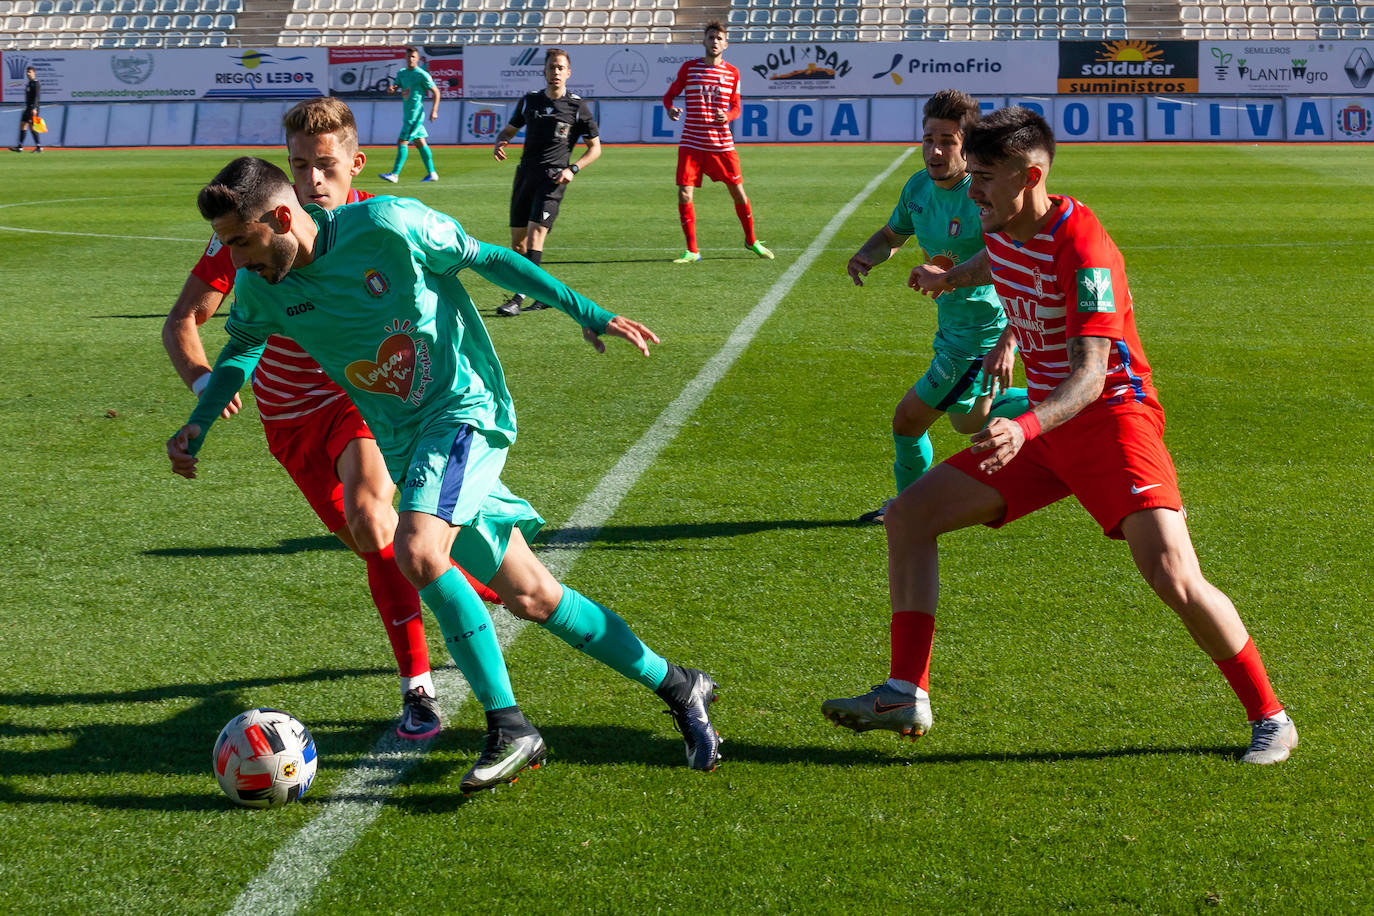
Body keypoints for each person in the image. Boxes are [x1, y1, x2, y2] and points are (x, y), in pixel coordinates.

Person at [168, 156, 723, 792]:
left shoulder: (388, 225)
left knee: (418, 550)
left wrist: (585, 310)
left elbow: (488, 259)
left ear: (283, 217)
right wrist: (200, 421)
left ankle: (510, 725)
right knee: (533, 596)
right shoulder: (265, 286)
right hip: (408, 442)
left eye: (242, 241)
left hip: (464, 411)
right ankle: (681, 685)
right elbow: (240, 351)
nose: (235, 262)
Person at [822, 107, 1297, 765]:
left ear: (1032, 174)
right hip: (1046, 426)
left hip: (1111, 423)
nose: (973, 189)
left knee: (1172, 576)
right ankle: (906, 689)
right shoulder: (1007, 226)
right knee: (908, 516)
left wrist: (1023, 424)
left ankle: (1271, 716)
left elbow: (1092, 376)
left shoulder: (1084, 247)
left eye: (985, 177)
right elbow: (998, 260)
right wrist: (947, 277)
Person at [163, 98, 500, 743]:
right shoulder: (247, 233)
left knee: (375, 520)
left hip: (362, 397)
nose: (316, 180)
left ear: (348, 163)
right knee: (373, 544)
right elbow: (184, 321)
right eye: (300, 166)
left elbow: (454, 277)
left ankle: (418, 687)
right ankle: (485, 588)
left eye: (325, 166)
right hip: (287, 419)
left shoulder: (374, 221)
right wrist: (205, 388)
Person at [845, 89, 1029, 524]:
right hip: (953, 332)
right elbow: (893, 235)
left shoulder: (984, 196)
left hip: (979, 336)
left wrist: (1005, 336)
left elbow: (1012, 265)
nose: (935, 150)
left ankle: (908, 509)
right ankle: (1064, 405)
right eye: (928, 139)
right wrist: (867, 255)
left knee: (908, 419)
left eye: (947, 140)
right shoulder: (917, 187)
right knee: (969, 423)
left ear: (968, 144)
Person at [490, 49, 602, 318]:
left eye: (560, 68)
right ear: (545, 71)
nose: (556, 72)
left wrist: (573, 168)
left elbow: (595, 148)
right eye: (552, 67)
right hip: (525, 175)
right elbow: (510, 128)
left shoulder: (577, 107)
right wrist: (501, 140)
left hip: (553, 179)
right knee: (518, 243)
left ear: (568, 72)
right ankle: (544, 295)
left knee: (536, 234)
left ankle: (518, 297)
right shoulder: (530, 101)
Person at [662, 21, 773, 264]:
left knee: (739, 193)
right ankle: (692, 250)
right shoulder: (689, 69)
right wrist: (670, 109)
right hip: (691, 143)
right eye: (711, 37)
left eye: (719, 38)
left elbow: (736, 107)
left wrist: (729, 116)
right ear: (704, 41)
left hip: (721, 144)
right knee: (684, 193)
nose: (714, 41)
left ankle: (751, 240)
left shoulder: (732, 73)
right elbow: (669, 95)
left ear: (726, 43)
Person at [378, 47, 439, 184]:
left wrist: (434, 110)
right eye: (409, 57)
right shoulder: (402, 73)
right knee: (420, 143)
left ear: (417, 59)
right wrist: (391, 90)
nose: (411, 59)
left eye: (413, 57)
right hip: (407, 115)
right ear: (405, 58)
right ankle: (432, 173)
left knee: (402, 142)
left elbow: (436, 92)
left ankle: (395, 174)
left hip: (415, 116)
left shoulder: (422, 75)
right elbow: (394, 88)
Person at [10, 66, 41, 153]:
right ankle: (20, 147)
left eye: (30, 72)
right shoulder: (29, 83)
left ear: (34, 73)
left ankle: (39, 147)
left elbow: (36, 97)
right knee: (23, 125)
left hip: (32, 108)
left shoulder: (36, 83)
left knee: (32, 127)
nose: (28, 74)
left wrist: (34, 108)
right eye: (27, 72)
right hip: (28, 108)